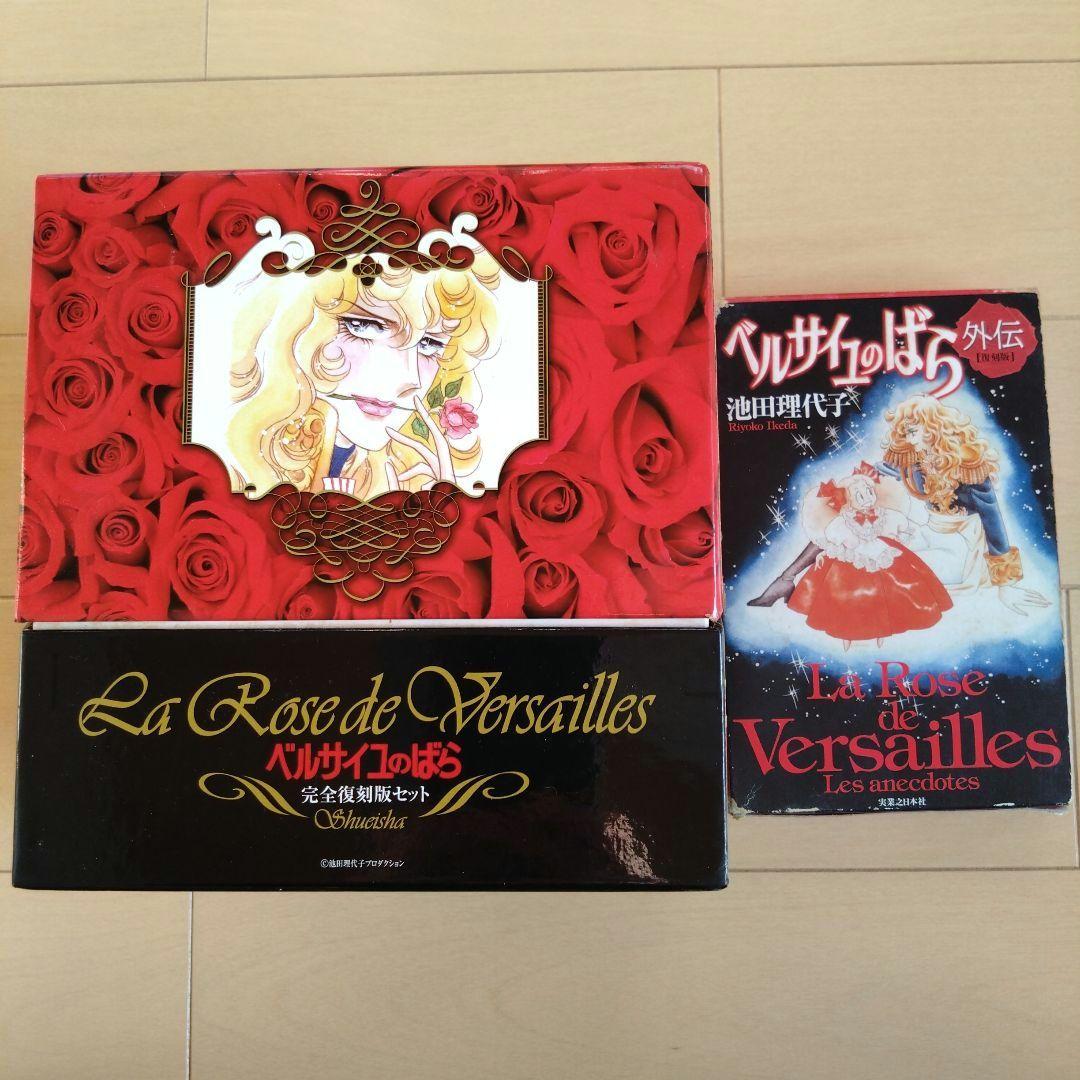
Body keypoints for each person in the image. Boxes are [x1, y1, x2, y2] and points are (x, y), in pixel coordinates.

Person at [224, 251, 500, 500]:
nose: (410, 379)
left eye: (429, 344)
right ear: (293, 325)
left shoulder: (389, 474)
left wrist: (440, 505)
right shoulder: (237, 473)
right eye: (363, 326)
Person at [749, 394, 1049, 617]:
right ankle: (786, 578)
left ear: (933, 428)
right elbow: (870, 474)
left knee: (879, 565)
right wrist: (843, 491)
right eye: (904, 431)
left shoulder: (970, 465)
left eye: (912, 430)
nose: (906, 437)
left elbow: (993, 520)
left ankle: (829, 607)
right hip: (930, 531)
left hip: (962, 544)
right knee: (850, 524)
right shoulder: (910, 459)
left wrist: (1006, 584)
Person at [786, 462, 952, 649]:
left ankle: (883, 629)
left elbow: (902, 527)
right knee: (847, 596)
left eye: (869, 492)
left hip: (880, 551)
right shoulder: (842, 522)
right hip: (852, 559)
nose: (866, 498)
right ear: (848, 500)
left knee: (888, 592)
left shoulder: (886, 515)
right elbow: (834, 539)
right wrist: (824, 553)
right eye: (859, 495)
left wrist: (904, 536)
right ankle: (846, 632)